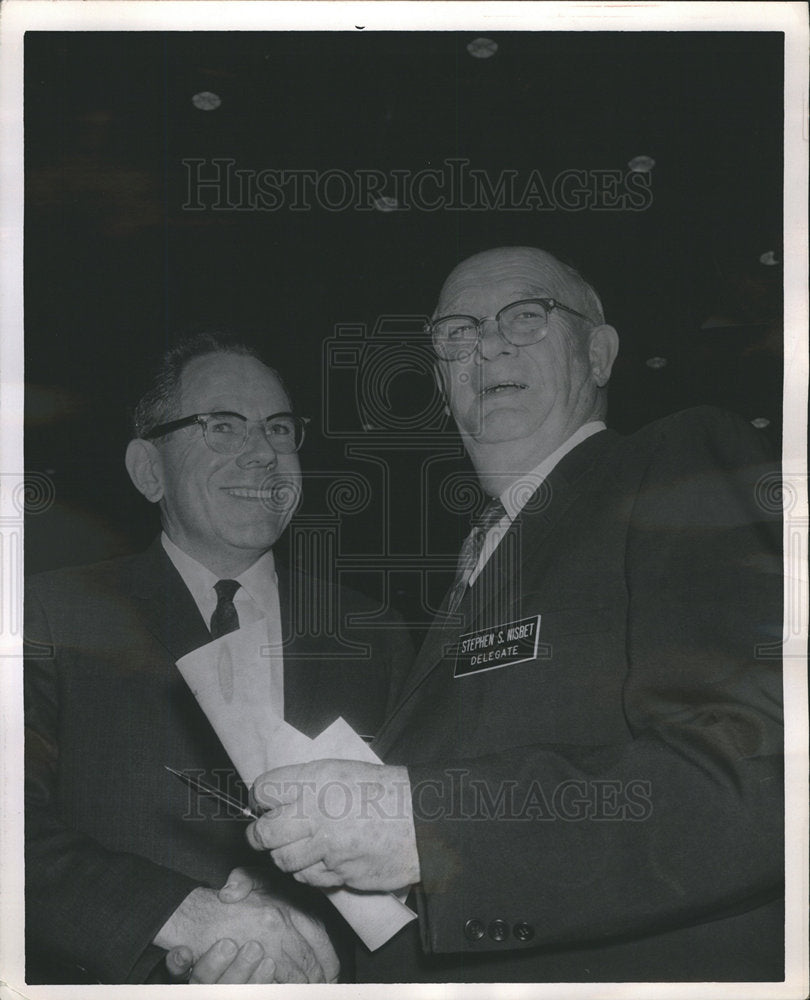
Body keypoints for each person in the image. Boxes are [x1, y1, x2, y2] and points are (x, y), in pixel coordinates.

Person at [239, 247, 784, 982]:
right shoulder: (467, 572)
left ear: (599, 351)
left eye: (526, 316)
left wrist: (426, 825)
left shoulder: (673, 460)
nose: (487, 343)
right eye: (455, 334)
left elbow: (759, 773)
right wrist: (316, 909)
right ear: (441, 380)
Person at [24, 330, 412, 983]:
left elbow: (429, 843)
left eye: (280, 429)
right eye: (223, 427)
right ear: (149, 471)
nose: (262, 454)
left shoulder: (375, 632)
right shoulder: (49, 617)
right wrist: (190, 918)